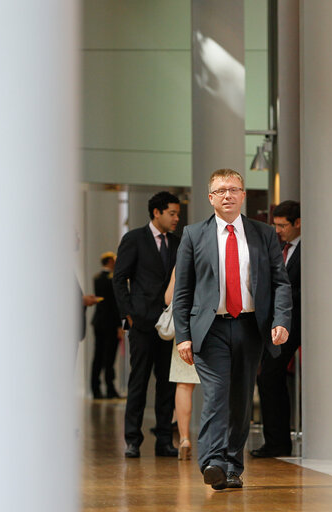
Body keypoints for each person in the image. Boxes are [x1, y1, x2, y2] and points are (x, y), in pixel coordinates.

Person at [173, 169, 292, 490]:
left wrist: (281, 320)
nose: (228, 195)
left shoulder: (263, 234)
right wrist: (183, 335)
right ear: (210, 198)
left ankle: (231, 466)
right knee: (215, 395)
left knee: (240, 400)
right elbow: (183, 291)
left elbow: (280, 282)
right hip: (209, 330)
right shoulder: (193, 234)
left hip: (251, 328)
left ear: (243, 195)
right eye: (221, 190)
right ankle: (212, 460)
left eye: (234, 189)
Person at [113, 191, 181, 458]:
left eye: (177, 214)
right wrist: (128, 314)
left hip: (170, 324)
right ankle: (132, 440)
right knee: (138, 382)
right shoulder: (134, 239)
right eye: (172, 213)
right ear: (157, 213)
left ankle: (164, 440)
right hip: (141, 324)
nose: (177, 218)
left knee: (167, 384)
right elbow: (119, 279)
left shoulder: (178, 243)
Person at [251, 200, 302, 458]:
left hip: (296, 325)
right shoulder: (280, 249)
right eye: (276, 225)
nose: (278, 230)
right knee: (269, 377)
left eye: (283, 226)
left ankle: (278, 442)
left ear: (298, 223)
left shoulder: (307, 250)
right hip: (277, 325)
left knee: (269, 376)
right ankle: (276, 440)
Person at [163, 268, 200, 460]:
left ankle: (184, 438)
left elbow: (169, 298)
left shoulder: (183, 260)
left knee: (184, 384)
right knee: (218, 383)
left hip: (186, 328)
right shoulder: (219, 252)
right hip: (214, 325)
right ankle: (219, 439)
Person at [91, 252, 124, 399]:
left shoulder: (97, 278)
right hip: (110, 323)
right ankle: (110, 388)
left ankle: (95, 388)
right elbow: (114, 304)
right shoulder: (112, 279)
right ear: (110, 261)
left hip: (98, 321)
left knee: (98, 356)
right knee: (109, 357)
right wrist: (119, 325)